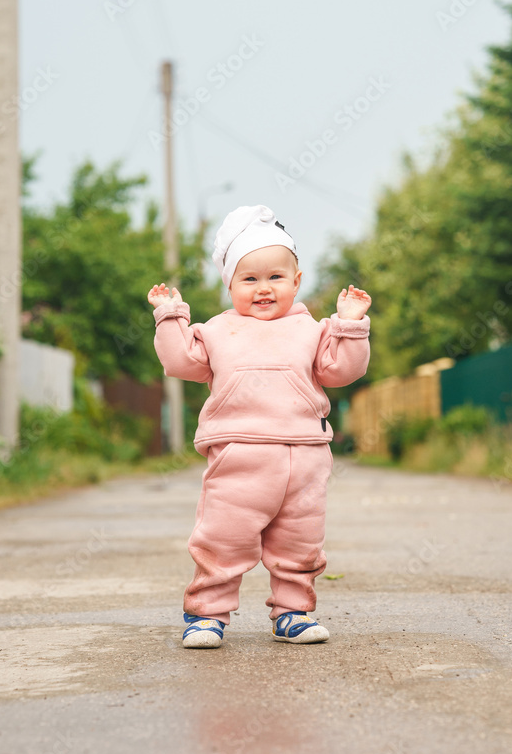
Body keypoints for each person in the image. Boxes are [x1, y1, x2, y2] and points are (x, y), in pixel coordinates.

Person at [147, 204, 371, 649]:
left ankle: (293, 613)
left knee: (299, 543)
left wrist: (349, 324)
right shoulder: (215, 331)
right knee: (222, 538)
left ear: (297, 281)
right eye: (249, 279)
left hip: (305, 457)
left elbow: (342, 371)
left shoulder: (315, 329)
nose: (263, 289)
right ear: (230, 284)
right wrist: (171, 316)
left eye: (275, 277)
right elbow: (179, 361)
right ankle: (206, 614)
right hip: (238, 455)